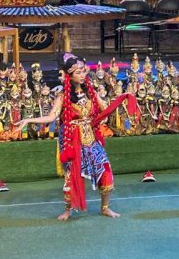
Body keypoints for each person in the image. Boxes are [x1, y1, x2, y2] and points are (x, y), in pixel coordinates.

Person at [15, 54, 135, 220]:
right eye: (78, 72)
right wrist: (29, 119)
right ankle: (68, 209)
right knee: (71, 177)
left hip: (91, 139)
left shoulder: (90, 92)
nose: (83, 74)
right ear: (69, 75)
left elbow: (105, 108)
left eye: (83, 71)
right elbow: (51, 117)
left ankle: (105, 207)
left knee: (105, 171)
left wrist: (122, 98)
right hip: (72, 141)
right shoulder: (62, 97)